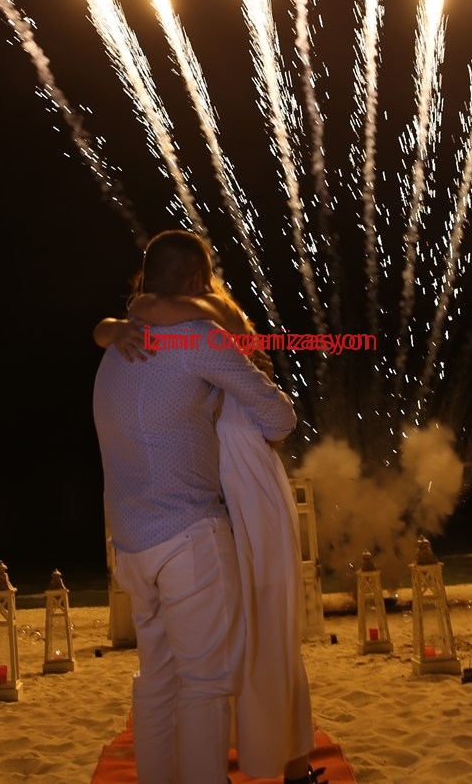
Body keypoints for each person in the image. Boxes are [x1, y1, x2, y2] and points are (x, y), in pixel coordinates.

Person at [96, 260, 319, 784]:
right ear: (198, 280)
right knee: (205, 686)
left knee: (156, 682)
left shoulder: (116, 347)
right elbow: (281, 419)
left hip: (131, 543)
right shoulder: (198, 339)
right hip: (188, 538)